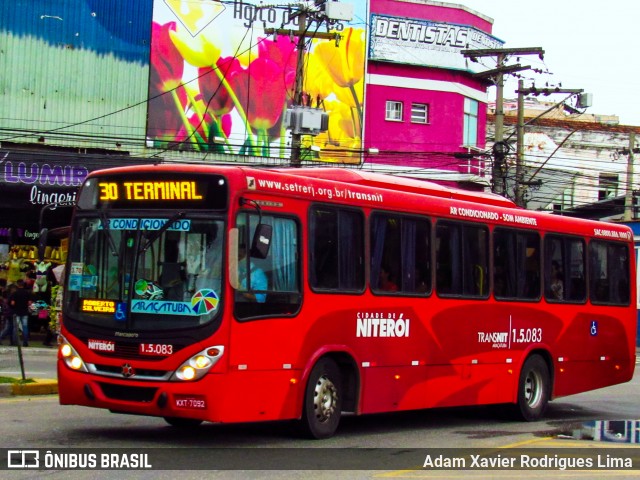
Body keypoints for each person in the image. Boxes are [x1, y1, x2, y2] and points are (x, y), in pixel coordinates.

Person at [8, 279, 33, 347]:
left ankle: (14, 342)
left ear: (17, 284)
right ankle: (25, 342)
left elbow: (12, 303)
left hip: (16, 312)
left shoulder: (15, 293)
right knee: (25, 327)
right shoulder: (27, 293)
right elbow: (30, 303)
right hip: (25, 312)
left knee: (15, 327)